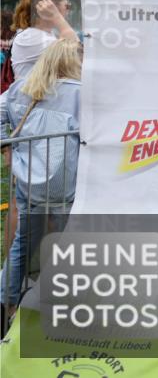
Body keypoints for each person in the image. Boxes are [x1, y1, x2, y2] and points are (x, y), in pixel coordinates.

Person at [1, 39, 81, 313]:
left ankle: (7, 304)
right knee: (67, 246)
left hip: (28, 181)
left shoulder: (20, 88)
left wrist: (7, 148)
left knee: (23, 244)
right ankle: (57, 304)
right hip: (66, 183)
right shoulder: (79, 93)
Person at [10, 0, 79, 81]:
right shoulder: (31, 37)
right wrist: (57, 17)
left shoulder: (44, 34)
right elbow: (76, 54)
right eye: (67, 6)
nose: (68, 10)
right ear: (50, 7)